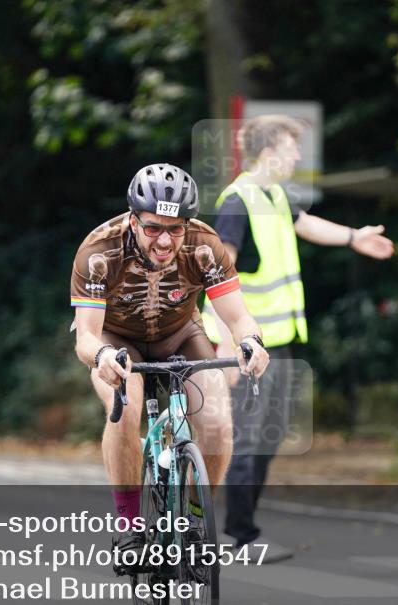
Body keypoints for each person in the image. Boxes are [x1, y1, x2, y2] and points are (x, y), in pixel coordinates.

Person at [202, 115, 394, 562]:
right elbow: (218, 275)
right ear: (269, 153)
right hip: (246, 347)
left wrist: (354, 237)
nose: (296, 157)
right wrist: (228, 345)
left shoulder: (273, 195)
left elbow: (304, 223)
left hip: (276, 340)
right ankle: (238, 537)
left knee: (266, 438)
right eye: (291, 148)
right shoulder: (238, 201)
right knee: (248, 439)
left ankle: (240, 531)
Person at [70, 163, 271, 567]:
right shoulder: (99, 251)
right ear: (133, 220)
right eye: (153, 228)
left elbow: (238, 317)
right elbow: (86, 337)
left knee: (217, 424)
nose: (164, 240)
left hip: (181, 334)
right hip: (117, 340)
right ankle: (129, 527)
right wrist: (103, 357)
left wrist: (251, 342)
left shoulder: (204, 245)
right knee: (125, 409)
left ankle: (195, 520)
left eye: (175, 229)